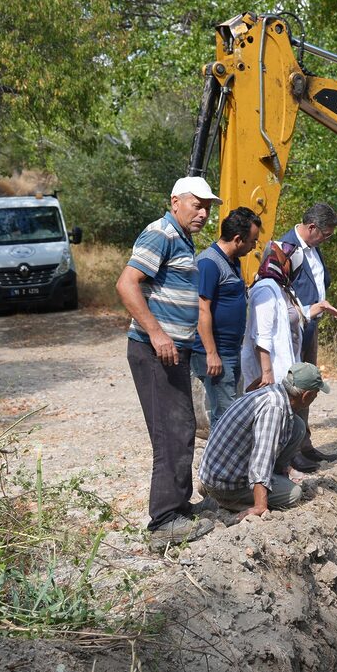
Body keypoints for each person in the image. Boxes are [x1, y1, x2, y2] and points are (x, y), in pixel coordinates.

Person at [116, 176, 221, 550]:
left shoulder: (183, 238)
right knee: (170, 431)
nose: (204, 212)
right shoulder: (160, 233)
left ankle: (178, 507)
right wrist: (158, 334)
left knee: (183, 426)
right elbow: (127, 284)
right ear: (175, 201)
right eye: (197, 204)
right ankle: (163, 521)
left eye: (208, 206)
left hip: (173, 351)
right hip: (152, 349)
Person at [198, 362, 330, 519]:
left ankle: (271, 480)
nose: (315, 398)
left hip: (216, 474)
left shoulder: (274, 393)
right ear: (306, 395)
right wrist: (261, 506)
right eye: (315, 394)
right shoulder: (274, 409)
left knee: (297, 426)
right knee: (294, 494)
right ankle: (225, 500)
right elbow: (262, 459)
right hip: (223, 484)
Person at [280, 202, 337, 469]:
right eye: (325, 235)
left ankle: (304, 445)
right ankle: (290, 452)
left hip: (309, 329)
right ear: (312, 227)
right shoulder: (286, 249)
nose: (327, 240)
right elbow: (277, 295)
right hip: (292, 331)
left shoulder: (313, 249)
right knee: (292, 389)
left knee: (308, 387)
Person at [191, 207, 262, 434]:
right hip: (216, 353)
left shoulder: (234, 261)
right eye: (252, 241)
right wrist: (211, 353)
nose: (254, 247)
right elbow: (202, 310)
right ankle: (219, 468)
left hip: (232, 351)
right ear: (238, 239)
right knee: (225, 418)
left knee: (231, 413)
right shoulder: (208, 263)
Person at [240, 240, 337, 393]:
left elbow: (290, 318)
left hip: (283, 368)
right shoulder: (265, 289)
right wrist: (267, 374)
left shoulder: (283, 288)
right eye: (292, 265)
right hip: (269, 373)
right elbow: (261, 334)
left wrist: (319, 307)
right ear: (282, 263)